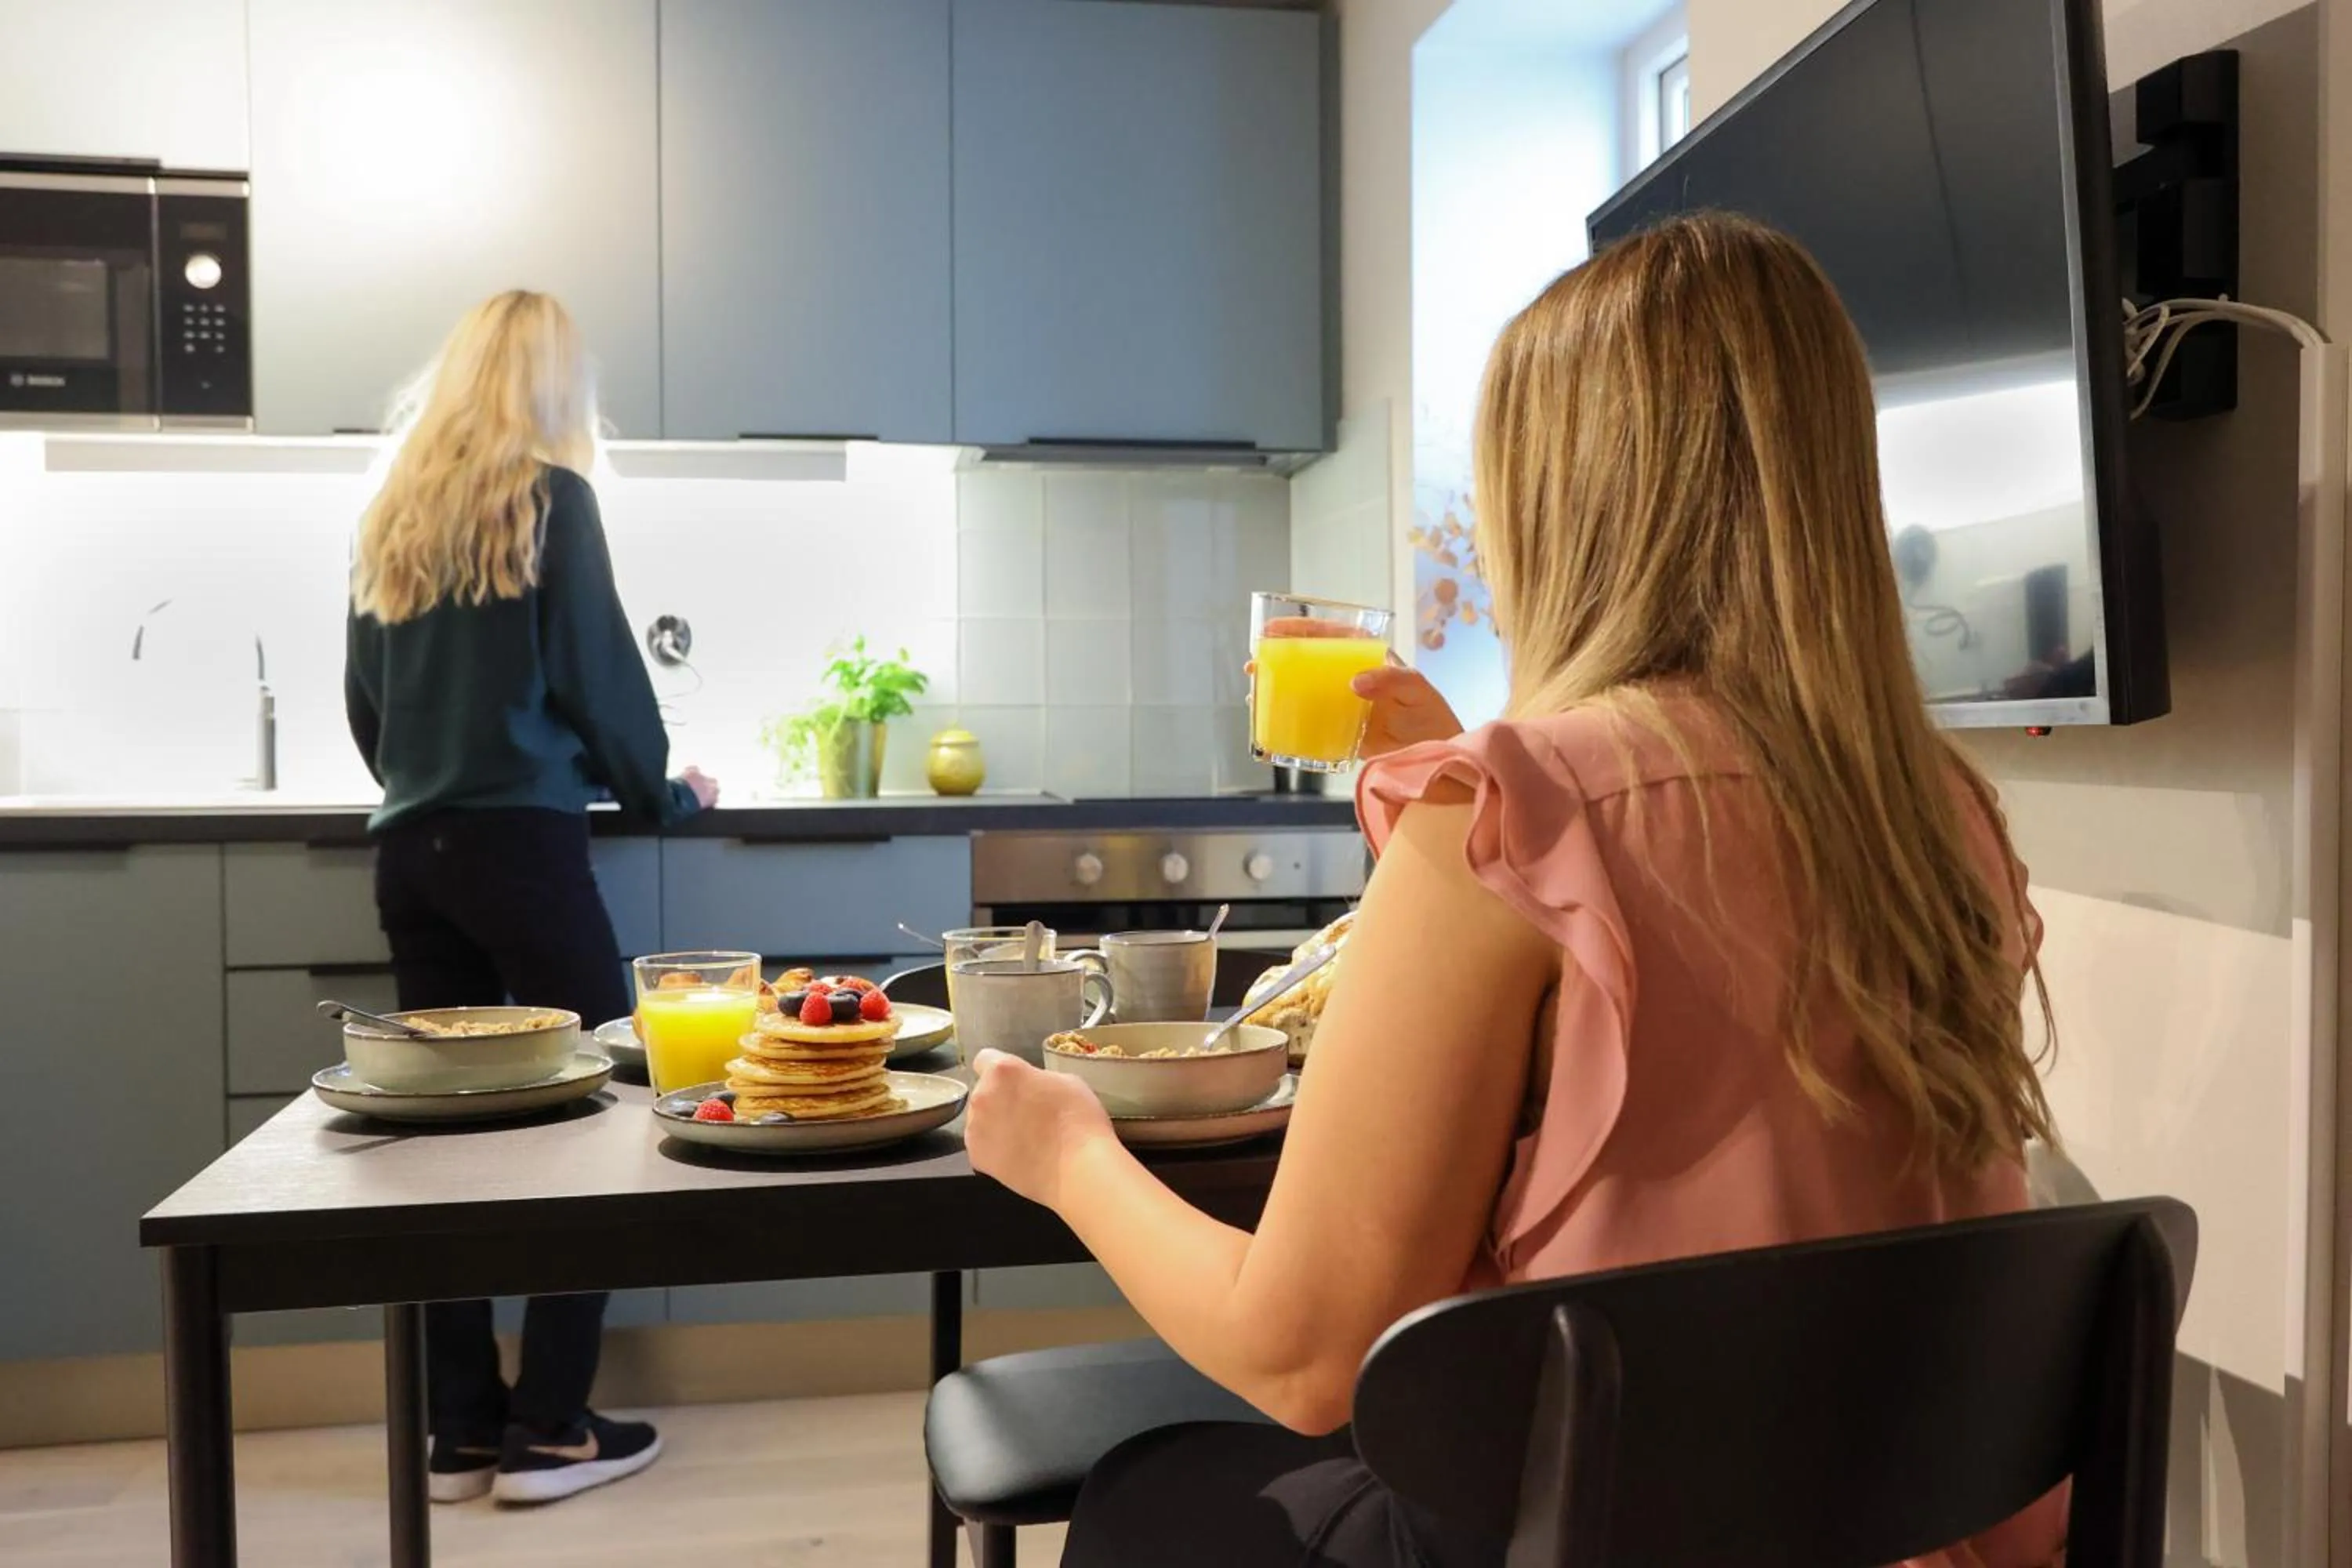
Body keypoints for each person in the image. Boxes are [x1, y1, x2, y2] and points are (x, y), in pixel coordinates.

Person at [961, 213, 2066, 1568]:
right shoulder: (1940, 817)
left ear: (1558, 505)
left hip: (1604, 1527)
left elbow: (1301, 1354)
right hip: (1909, 1529)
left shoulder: (1502, 819)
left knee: (1152, 1498)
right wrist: (1459, 788)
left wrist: (1064, 1155)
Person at [344, 290, 717, 1506]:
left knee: (435, 1144)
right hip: (521, 849)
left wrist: (428, 786)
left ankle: (458, 1426)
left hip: (416, 856)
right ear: (556, 390)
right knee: (608, 1111)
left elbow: (367, 706)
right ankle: (551, 1424)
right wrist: (664, 797)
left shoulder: (395, 516)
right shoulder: (555, 502)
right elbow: (604, 687)